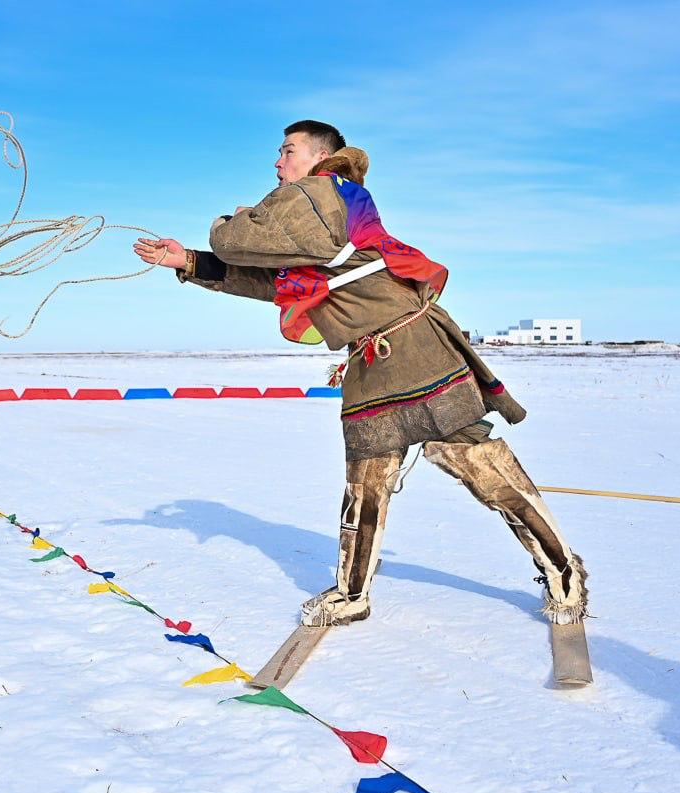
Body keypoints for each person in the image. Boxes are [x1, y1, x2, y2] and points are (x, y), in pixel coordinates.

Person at [133, 120, 588, 628]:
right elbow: (271, 281)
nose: (277, 163)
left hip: (416, 353)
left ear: (320, 157)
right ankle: (352, 592)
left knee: (480, 468)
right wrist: (190, 261)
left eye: (287, 152)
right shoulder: (318, 217)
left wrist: (231, 222)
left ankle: (564, 571)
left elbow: (238, 241)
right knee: (365, 482)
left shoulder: (323, 193)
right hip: (373, 362)